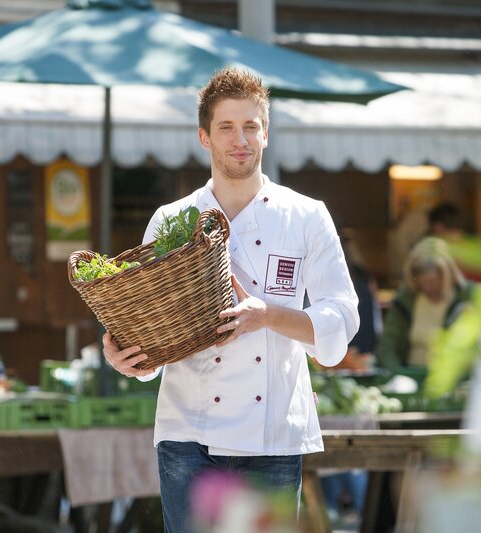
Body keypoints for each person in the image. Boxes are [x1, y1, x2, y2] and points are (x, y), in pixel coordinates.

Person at [102, 68, 360, 533]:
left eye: (250, 126)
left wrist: (267, 315)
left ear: (266, 134)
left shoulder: (306, 216)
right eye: (226, 127)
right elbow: (151, 337)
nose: (240, 140)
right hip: (188, 434)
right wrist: (128, 358)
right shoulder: (172, 220)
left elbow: (340, 317)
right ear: (204, 137)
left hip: (272, 436)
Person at [377, 237, 472, 370]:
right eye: (422, 283)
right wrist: (397, 373)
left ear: (447, 275)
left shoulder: (468, 296)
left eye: (432, 282)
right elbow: (388, 344)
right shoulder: (406, 298)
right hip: (409, 374)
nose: (427, 288)